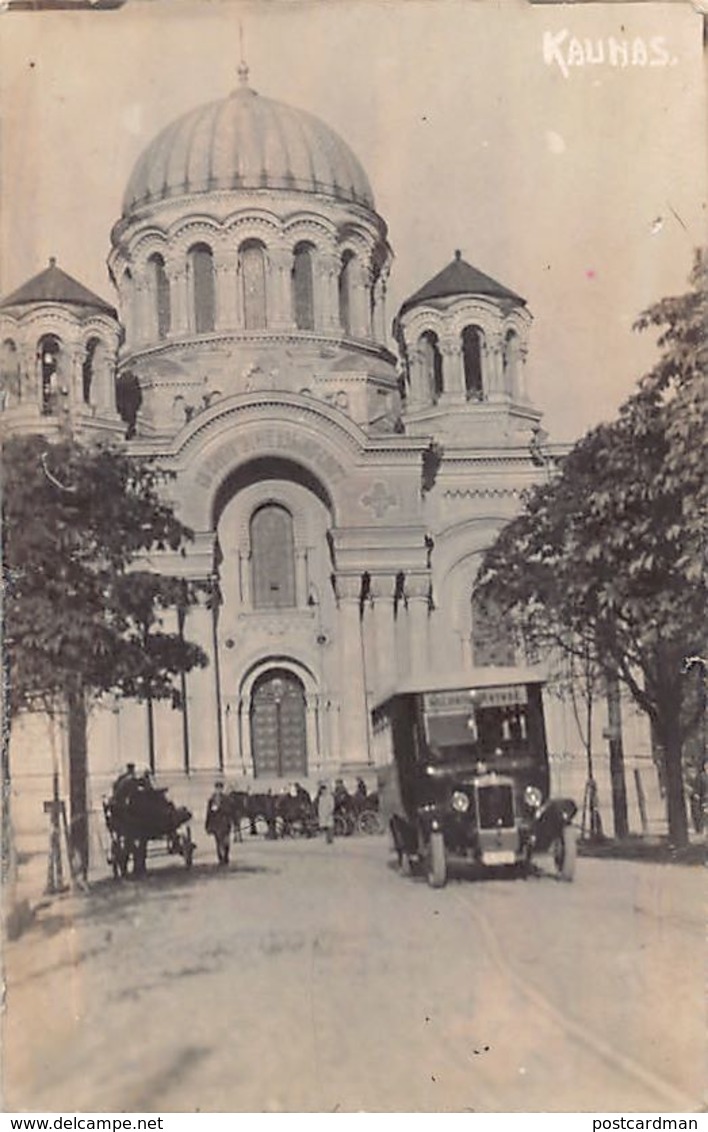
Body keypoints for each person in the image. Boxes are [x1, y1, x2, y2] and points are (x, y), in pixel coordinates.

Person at [205, 779, 232, 865]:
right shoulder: (211, 799)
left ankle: (226, 856)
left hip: (224, 822)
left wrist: (220, 809)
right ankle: (220, 858)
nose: (218, 790)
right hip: (216, 823)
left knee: (226, 841)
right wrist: (207, 825)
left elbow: (230, 810)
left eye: (220, 788)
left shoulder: (226, 799)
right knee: (218, 841)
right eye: (217, 788)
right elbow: (208, 813)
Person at [317, 780, 335, 844]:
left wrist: (330, 812)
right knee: (326, 827)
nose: (323, 792)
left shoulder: (330, 797)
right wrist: (319, 813)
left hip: (328, 813)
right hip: (323, 813)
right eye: (322, 791)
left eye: (324, 790)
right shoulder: (321, 798)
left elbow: (332, 805)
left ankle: (330, 839)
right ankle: (327, 839)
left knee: (330, 826)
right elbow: (319, 806)